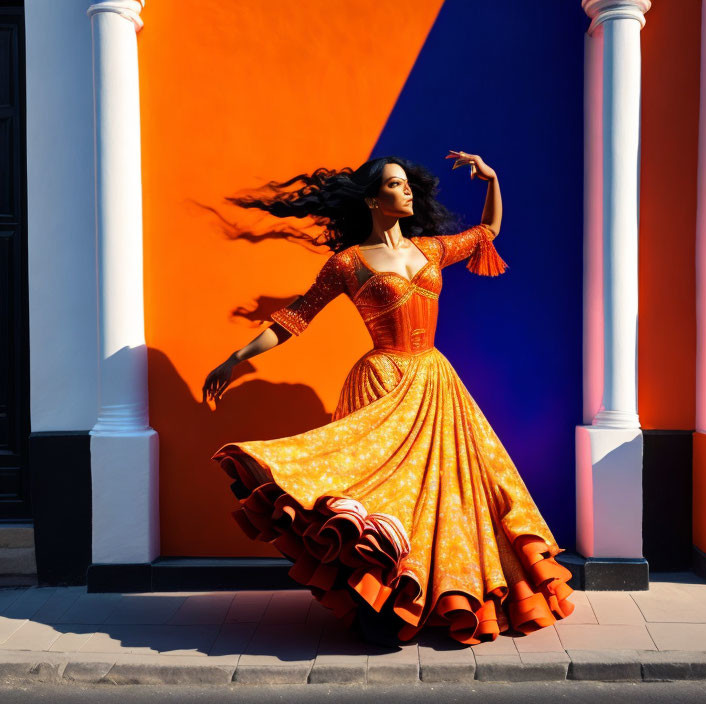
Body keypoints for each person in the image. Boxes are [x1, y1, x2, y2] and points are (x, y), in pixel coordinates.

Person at [203, 152, 574, 646]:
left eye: (408, 185)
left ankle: (430, 600)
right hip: (381, 381)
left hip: (436, 383)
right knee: (379, 500)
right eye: (397, 185)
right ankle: (375, 606)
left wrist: (493, 177)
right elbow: (294, 319)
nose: (408, 192)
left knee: (443, 496)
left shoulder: (432, 250)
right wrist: (236, 357)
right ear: (373, 198)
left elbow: (488, 230)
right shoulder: (348, 263)